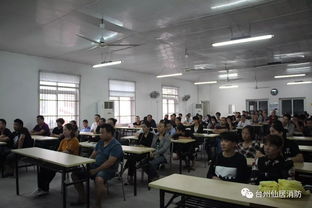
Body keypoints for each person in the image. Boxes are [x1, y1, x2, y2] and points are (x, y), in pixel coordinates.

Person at [71, 124, 123, 208]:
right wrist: (86, 163)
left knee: (99, 179)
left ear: (110, 133)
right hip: (94, 166)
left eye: (102, 133)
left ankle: (98, 204)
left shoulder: (116, 145)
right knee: (75, 174)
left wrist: (96, 170)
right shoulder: (100, 142)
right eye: (100, 133)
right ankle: (82, 197)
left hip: (108, 169)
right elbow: (93, 155)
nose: (100, 135)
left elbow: (110, 162)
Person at [32, 123, 80, 196]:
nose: (63, 131)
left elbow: (66, 152)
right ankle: (41, 188)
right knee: (42, 166)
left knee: (50, 169)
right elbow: (58, 151)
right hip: (61, 160)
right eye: (63, 130)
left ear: (70, 131)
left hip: (70, 163)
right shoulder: (63, 140)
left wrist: (56, 156)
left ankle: (44, 188)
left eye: (65, 130)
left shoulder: (74, 140)